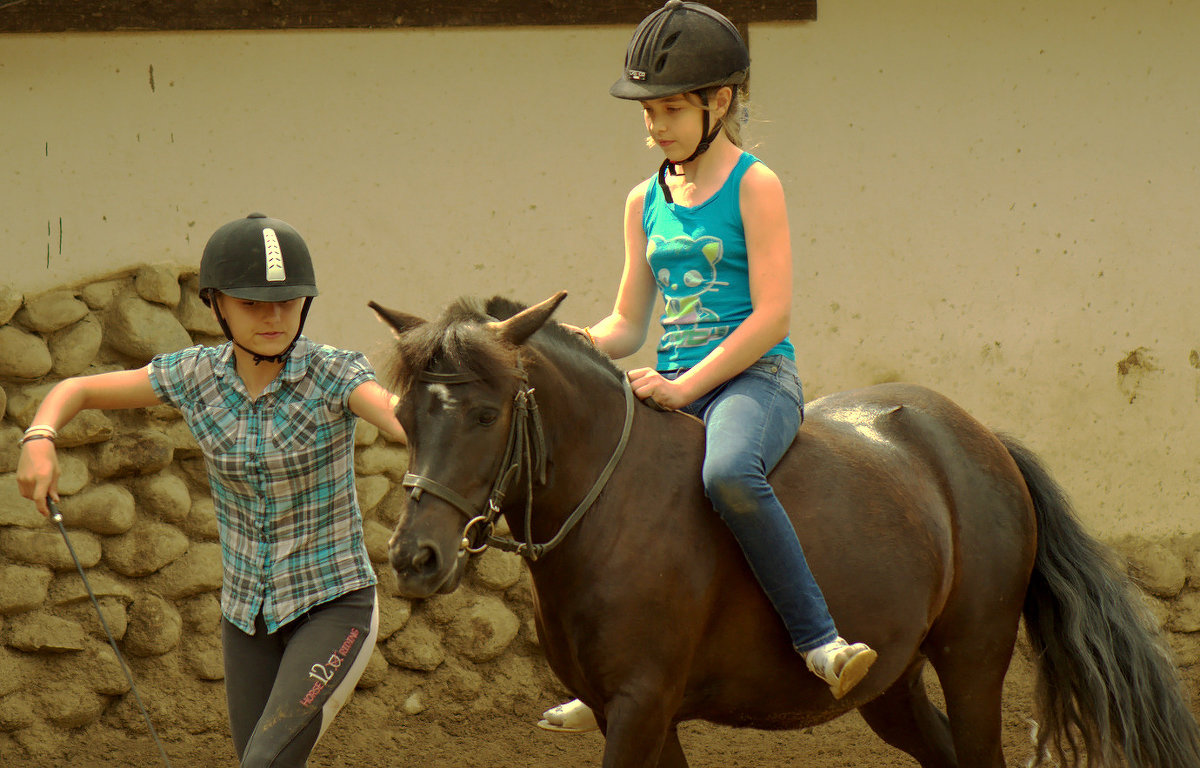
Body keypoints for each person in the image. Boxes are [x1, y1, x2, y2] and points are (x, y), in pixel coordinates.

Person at [538, 0, 877, 734]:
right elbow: (629, 323)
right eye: (646, 112)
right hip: (670, 381)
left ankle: (820, 640)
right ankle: (611, 673)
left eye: (668, 109)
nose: (654, 126)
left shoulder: (756, 184)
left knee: (728, 474)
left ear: (719, 102)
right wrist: (569, 343)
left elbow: (772, 316)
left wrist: (686, 387)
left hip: (755, 381)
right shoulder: (643, 201)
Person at [17, 213, 407, 767]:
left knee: (263, 764)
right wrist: (39, 436)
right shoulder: (193, 375)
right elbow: (75, 388)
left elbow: (399, 419)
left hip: (334, 606)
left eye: (289, 302)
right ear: (216, 304)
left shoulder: (336, 373)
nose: (274, 316)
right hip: (246, 615)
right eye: (252, 303)